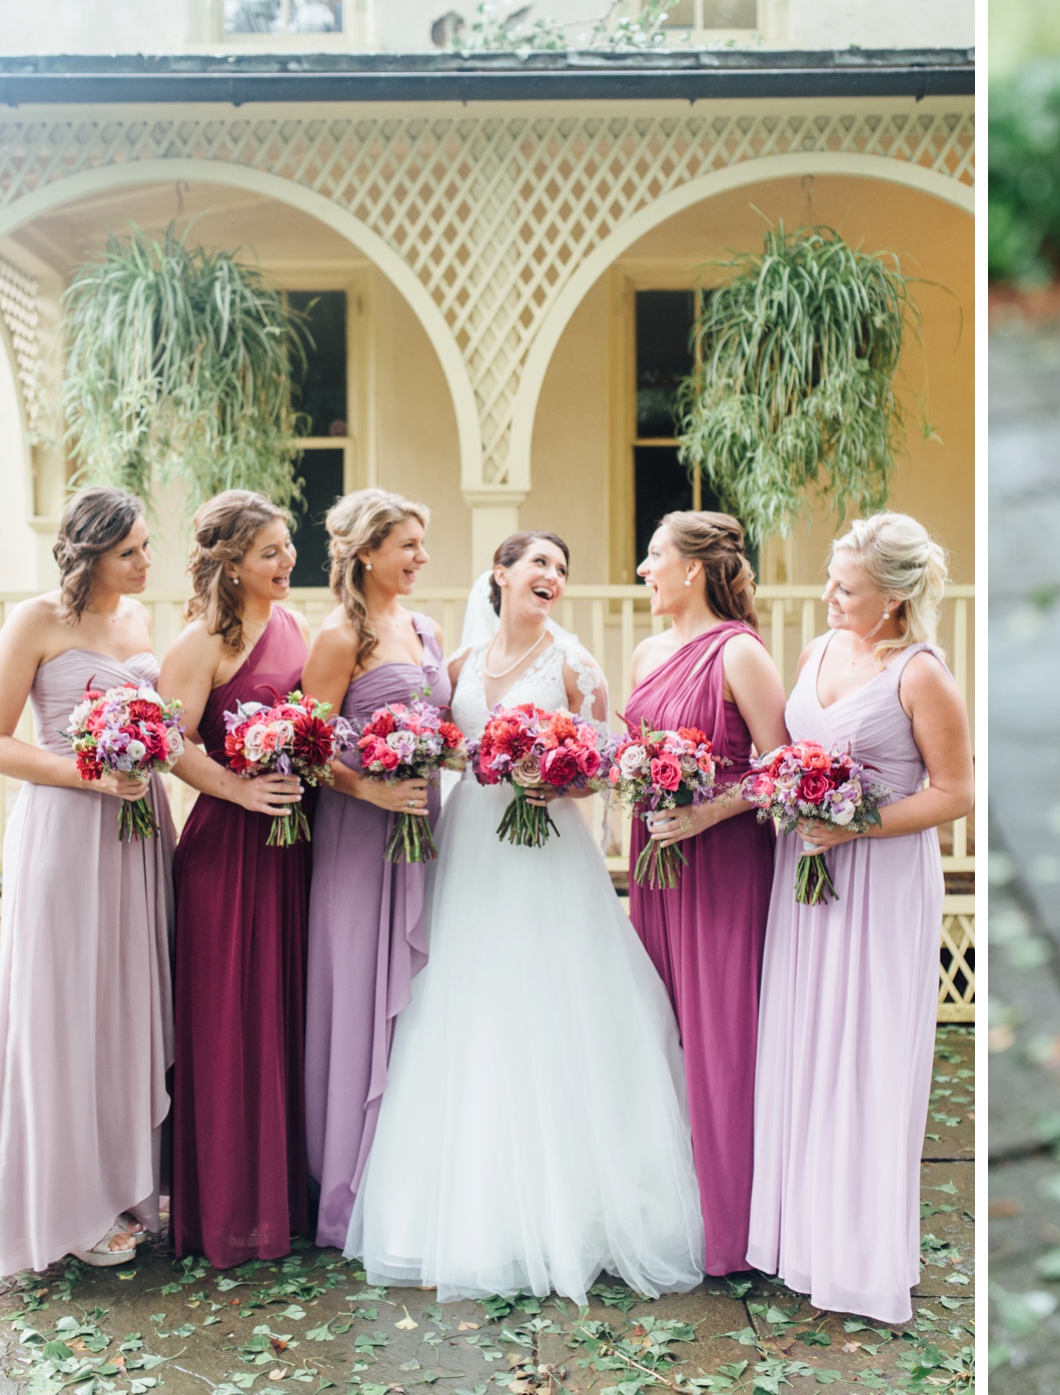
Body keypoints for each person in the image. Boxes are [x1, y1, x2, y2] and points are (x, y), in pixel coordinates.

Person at [345, 531, 703, 1302]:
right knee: (465, 1006)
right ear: (500, 575)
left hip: (546, 857)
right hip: (471, 849)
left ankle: (574, 1210)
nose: (553, 577)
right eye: (538, 563)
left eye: (562, 569)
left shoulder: (574, 666)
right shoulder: (461, 668)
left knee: (551, 1003)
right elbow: (442, 744)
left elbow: (607, 766)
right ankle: (470, 1213)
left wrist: (559, 781)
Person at [748, 513, 974, 1324]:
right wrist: (791, 796)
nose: (828, 594)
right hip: (807, 872)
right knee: (809, 1042)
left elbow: (956, 792)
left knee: (866, 1051)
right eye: (832, 579)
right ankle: (804, 1237)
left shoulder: (920, 674)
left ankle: (859, 1252)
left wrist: (856, 824)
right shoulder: (816, 651)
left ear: (894, 596)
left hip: (879, 878)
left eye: (846, 586)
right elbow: (786, 752)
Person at [0, 486, 173, 1272]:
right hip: (65, 829)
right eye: (132, 552)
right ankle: (68, 1207)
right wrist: (87, 775)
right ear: (90, 556)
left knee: (124, 1003)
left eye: (147, 546)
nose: (147, 562)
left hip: (137, 831)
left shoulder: (137, 620)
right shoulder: (35, 621)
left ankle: (125, 1186)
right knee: (64, 1012)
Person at [625, 510, 788, 1276]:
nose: (643, 568)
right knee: (658, 1029)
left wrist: (708, 811)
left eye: (654, 556)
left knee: (720, 1037)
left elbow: (782, 767)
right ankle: (671, 1213)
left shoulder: (741, 654)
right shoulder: (645, 653)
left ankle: (734, 1230)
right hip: (656, 862)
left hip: (722, 863)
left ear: (693, 569)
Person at [159, 491, 311, 1267]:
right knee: (226, 1023)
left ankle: (280, 1202)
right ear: (231, 563)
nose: (287, 562)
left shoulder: (297, 627)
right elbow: (172, 742)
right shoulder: (200, 643)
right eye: (270, 553)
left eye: (288, 547)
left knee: (279, 1016)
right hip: (225, 851)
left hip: (290, 851)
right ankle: (224, 1212)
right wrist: (240, 788)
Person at [300, 488, 446, 1250]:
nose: (421, 558)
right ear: (366, 554)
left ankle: (408, 1171)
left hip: (424, 829)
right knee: (361, 988)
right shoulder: (338, 637)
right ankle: (349, 1187)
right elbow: (310, 746)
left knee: (421, 995)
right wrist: (372, 787)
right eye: (408, 546)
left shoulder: (425, 627)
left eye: (422, 544)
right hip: (360, 835)